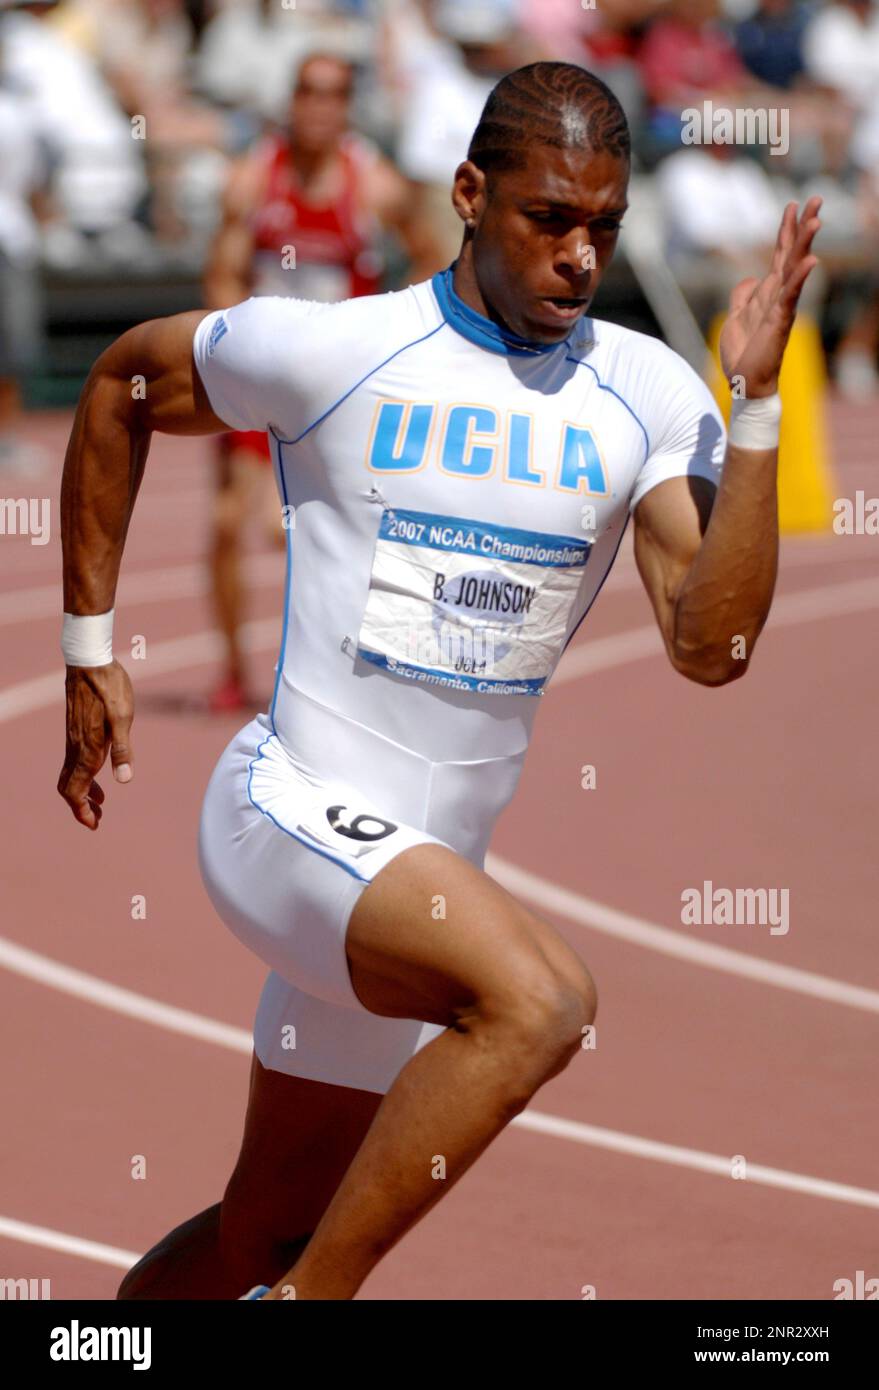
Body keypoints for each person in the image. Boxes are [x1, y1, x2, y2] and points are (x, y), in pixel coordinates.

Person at [56, 61, 822, 1301]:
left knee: (264, 1233)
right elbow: (120, 385)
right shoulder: (340, 349)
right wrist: (90, 657)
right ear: (471, 193)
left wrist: (756, 402)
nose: (582, 254)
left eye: (606, 227)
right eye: (551, 219)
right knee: (540, 1001)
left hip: (419, 875)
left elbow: (711, 647)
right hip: (288, 816)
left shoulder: (642, 395)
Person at [204, 50, 443, 710]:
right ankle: (232, 671)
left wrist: (385, 334)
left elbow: (429, 258)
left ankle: (355, 671)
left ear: (347, 106)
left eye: (331, 94)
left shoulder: (373, 184)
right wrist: (238, 337)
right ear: (290, 100)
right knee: (230, 521)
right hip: (264, 375)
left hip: (341, 387)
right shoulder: (254, 178)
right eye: (306, 92)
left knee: (334, 528)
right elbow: (220, 271)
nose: (316, 106)